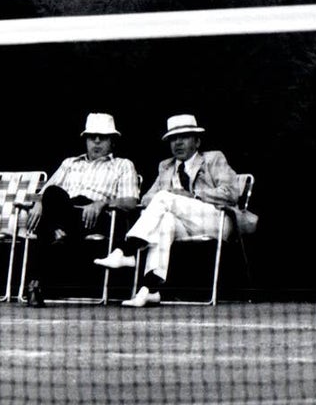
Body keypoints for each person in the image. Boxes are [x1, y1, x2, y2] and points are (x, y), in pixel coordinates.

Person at [93, 114, 242, 308]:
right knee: (165, 221)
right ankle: (150, 289)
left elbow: (231, 192)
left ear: (197, 141)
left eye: (184, 137)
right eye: (173, 139)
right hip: (185, 224)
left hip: (217, 220)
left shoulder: (214, 158)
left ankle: (127, 249)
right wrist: (171, 197)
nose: (177, 143)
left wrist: (191, 195)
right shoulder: (166, 166)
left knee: (164, 197)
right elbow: (146, 198)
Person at [24, 112, 142, 306]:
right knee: (53, 192)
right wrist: (38, 203)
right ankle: (57, 232)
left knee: (45, 225)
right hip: (65, 211)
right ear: (85, 140)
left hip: (97, 216)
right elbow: (46, 193)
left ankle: (35, 283)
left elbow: (130, 202)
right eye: (91, 137)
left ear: (112, 141)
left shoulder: (123, 165)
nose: (96, 141)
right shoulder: (69, 163)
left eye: (102, 137)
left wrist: (101, 203)